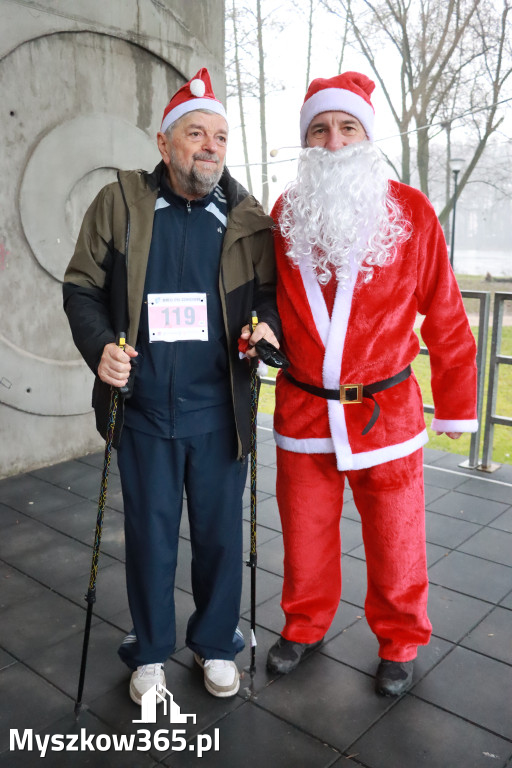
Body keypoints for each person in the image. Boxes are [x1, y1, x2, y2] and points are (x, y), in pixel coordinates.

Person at [63, 68, 279, 705]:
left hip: (220, 413)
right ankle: (150, 651)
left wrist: (264, 329)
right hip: (147, 410)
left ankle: (216, 642)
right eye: (195, 133)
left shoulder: (245, 216)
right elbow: (80, 286)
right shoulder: (122, 203)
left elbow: (268, 297)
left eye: (219, 135)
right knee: (152, 540)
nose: (209, 146)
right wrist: (100, 347)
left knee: (218, 538)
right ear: (164, 144)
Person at [266, 72, 478, 696]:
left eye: (346, 127)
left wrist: (458, 406)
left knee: (397, 541)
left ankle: (401, 639)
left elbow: (445, 313)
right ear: (306, 143)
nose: (333, 142)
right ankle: (304, 626)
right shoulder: (284, 213)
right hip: (304, 411)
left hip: (385, 413)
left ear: (367, 137)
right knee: (304, 537)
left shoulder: (410, 212)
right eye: (319, 129)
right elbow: (266, 300)